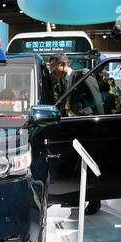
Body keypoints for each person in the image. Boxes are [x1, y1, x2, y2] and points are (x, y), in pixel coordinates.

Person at [49, 53, 102, 215]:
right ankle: (75, 197)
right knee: (74, 166)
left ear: (63, 64)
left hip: (88, 130)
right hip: (72, 130)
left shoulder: (82, 75)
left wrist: (102, 125)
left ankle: (95, 200)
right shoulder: (60, 83)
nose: (51, 71)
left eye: (53, 67)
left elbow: (97, 100)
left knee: (90, 166)